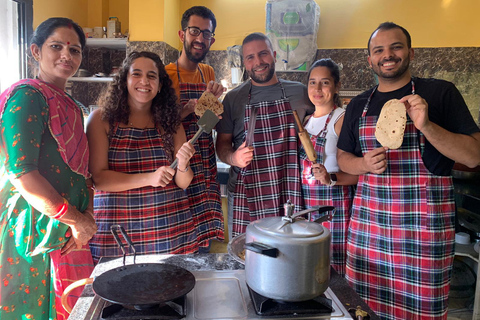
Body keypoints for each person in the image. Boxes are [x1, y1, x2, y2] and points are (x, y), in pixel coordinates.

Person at [337, 22, 480, 320]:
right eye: (379, 50)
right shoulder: (359, 104)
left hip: (423, 235)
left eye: (396, 47)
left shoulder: (440, 93)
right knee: (362, 311)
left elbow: (474, 155)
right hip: (368, 233)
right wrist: (363, 164)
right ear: (370, 60)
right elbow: (343, 158)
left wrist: (426, 125)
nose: (387, 55)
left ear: (411, 52)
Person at [0, 17, 97, 320]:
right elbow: (23, 174)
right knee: (38, 310)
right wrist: (77, 220)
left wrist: (87, 217)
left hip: (69, 231)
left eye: (75, 50)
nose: (67, 56)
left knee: (73, 308)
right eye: (57, 46)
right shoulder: (28, 96)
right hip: (34, 233)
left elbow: (83, 174)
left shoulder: (71, 105)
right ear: (35, 51)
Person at [86, 51, 197, 262]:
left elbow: (182, 183)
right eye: (136, 74)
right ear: (124, 79)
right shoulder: (101, 119)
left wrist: (183, 164)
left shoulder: (171, 123)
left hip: (168, 230)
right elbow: (99, 178)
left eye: (152, 76)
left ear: (160, 85)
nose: (144, 81)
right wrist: (149, 178)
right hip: (117, 233)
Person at [216, 32, 314, 237]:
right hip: (247, 194)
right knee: (247, 258)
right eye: (250, 57)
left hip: (290, 191)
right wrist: (234, 158)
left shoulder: (301, 93)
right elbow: (222, 145)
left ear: (274, 54)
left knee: (290, 256)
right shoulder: (233, 98)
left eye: (263, 54)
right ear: (244, 62)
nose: (258, 62)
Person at [165, 6, 224, 252]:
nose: (200, 39)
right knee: (180, 241)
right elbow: (158, 124)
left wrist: (214, 107)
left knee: (204, 245)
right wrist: (188, 109)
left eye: (207, 34)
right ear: (182, 34)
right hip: (177, 166)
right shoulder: (165, 75)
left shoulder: (207, 72)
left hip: (205, 167)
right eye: (194, 31)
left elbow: (208, 125)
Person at [299, 58, 357, 276]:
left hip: (335, 208)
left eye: (325, 82)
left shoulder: (340, 119)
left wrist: (330, 177)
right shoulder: (305, 121)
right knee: (311, 268)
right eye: (312, 82)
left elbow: (362, 173)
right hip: (307, 206)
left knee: (333, 269)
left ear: (336, 86)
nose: (317, 89)